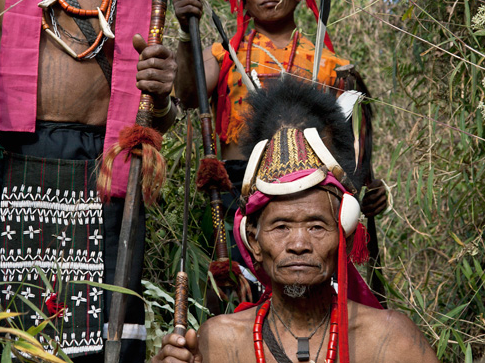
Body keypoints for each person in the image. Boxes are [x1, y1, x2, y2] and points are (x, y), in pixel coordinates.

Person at [0, 0, 176, 360]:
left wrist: (163, 97)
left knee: (107, 335)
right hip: (5, 167)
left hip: (104, 175)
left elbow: (155, 116)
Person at [153, 77, 438, 363]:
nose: (299, 244)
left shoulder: (393, 341)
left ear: (346, 236)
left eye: (316, 226)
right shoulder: (219, 343)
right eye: (281, 227)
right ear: (253, 241)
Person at [173, 0, 387, 301]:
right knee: (235, 299)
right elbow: (189, 94)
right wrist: (185, 34)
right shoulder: (224, 53)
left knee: (312, 297)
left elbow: (352, 146)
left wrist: (369, 188)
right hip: (237, 191)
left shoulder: (332, 64)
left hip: (313, 190)